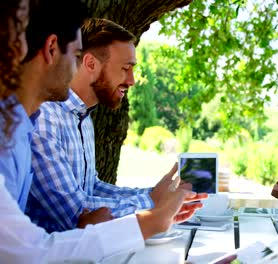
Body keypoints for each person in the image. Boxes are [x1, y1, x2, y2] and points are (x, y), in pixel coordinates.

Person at [0, 0, 206, 263]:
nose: (131, 80)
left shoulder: (45, 121)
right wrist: (153, 211)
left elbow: (90, 191)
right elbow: (61, 226)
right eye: (75, 57)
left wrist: (152, 198)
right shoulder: (37, 123)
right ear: (52, 50)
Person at [26, 18, 184, 232]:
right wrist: (154, 204)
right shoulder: (45, 117)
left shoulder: (83, 118)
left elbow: (92, 187)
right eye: (125, 68)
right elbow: (75, 212)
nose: (132, 80)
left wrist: (155, 194)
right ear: (90, 64)